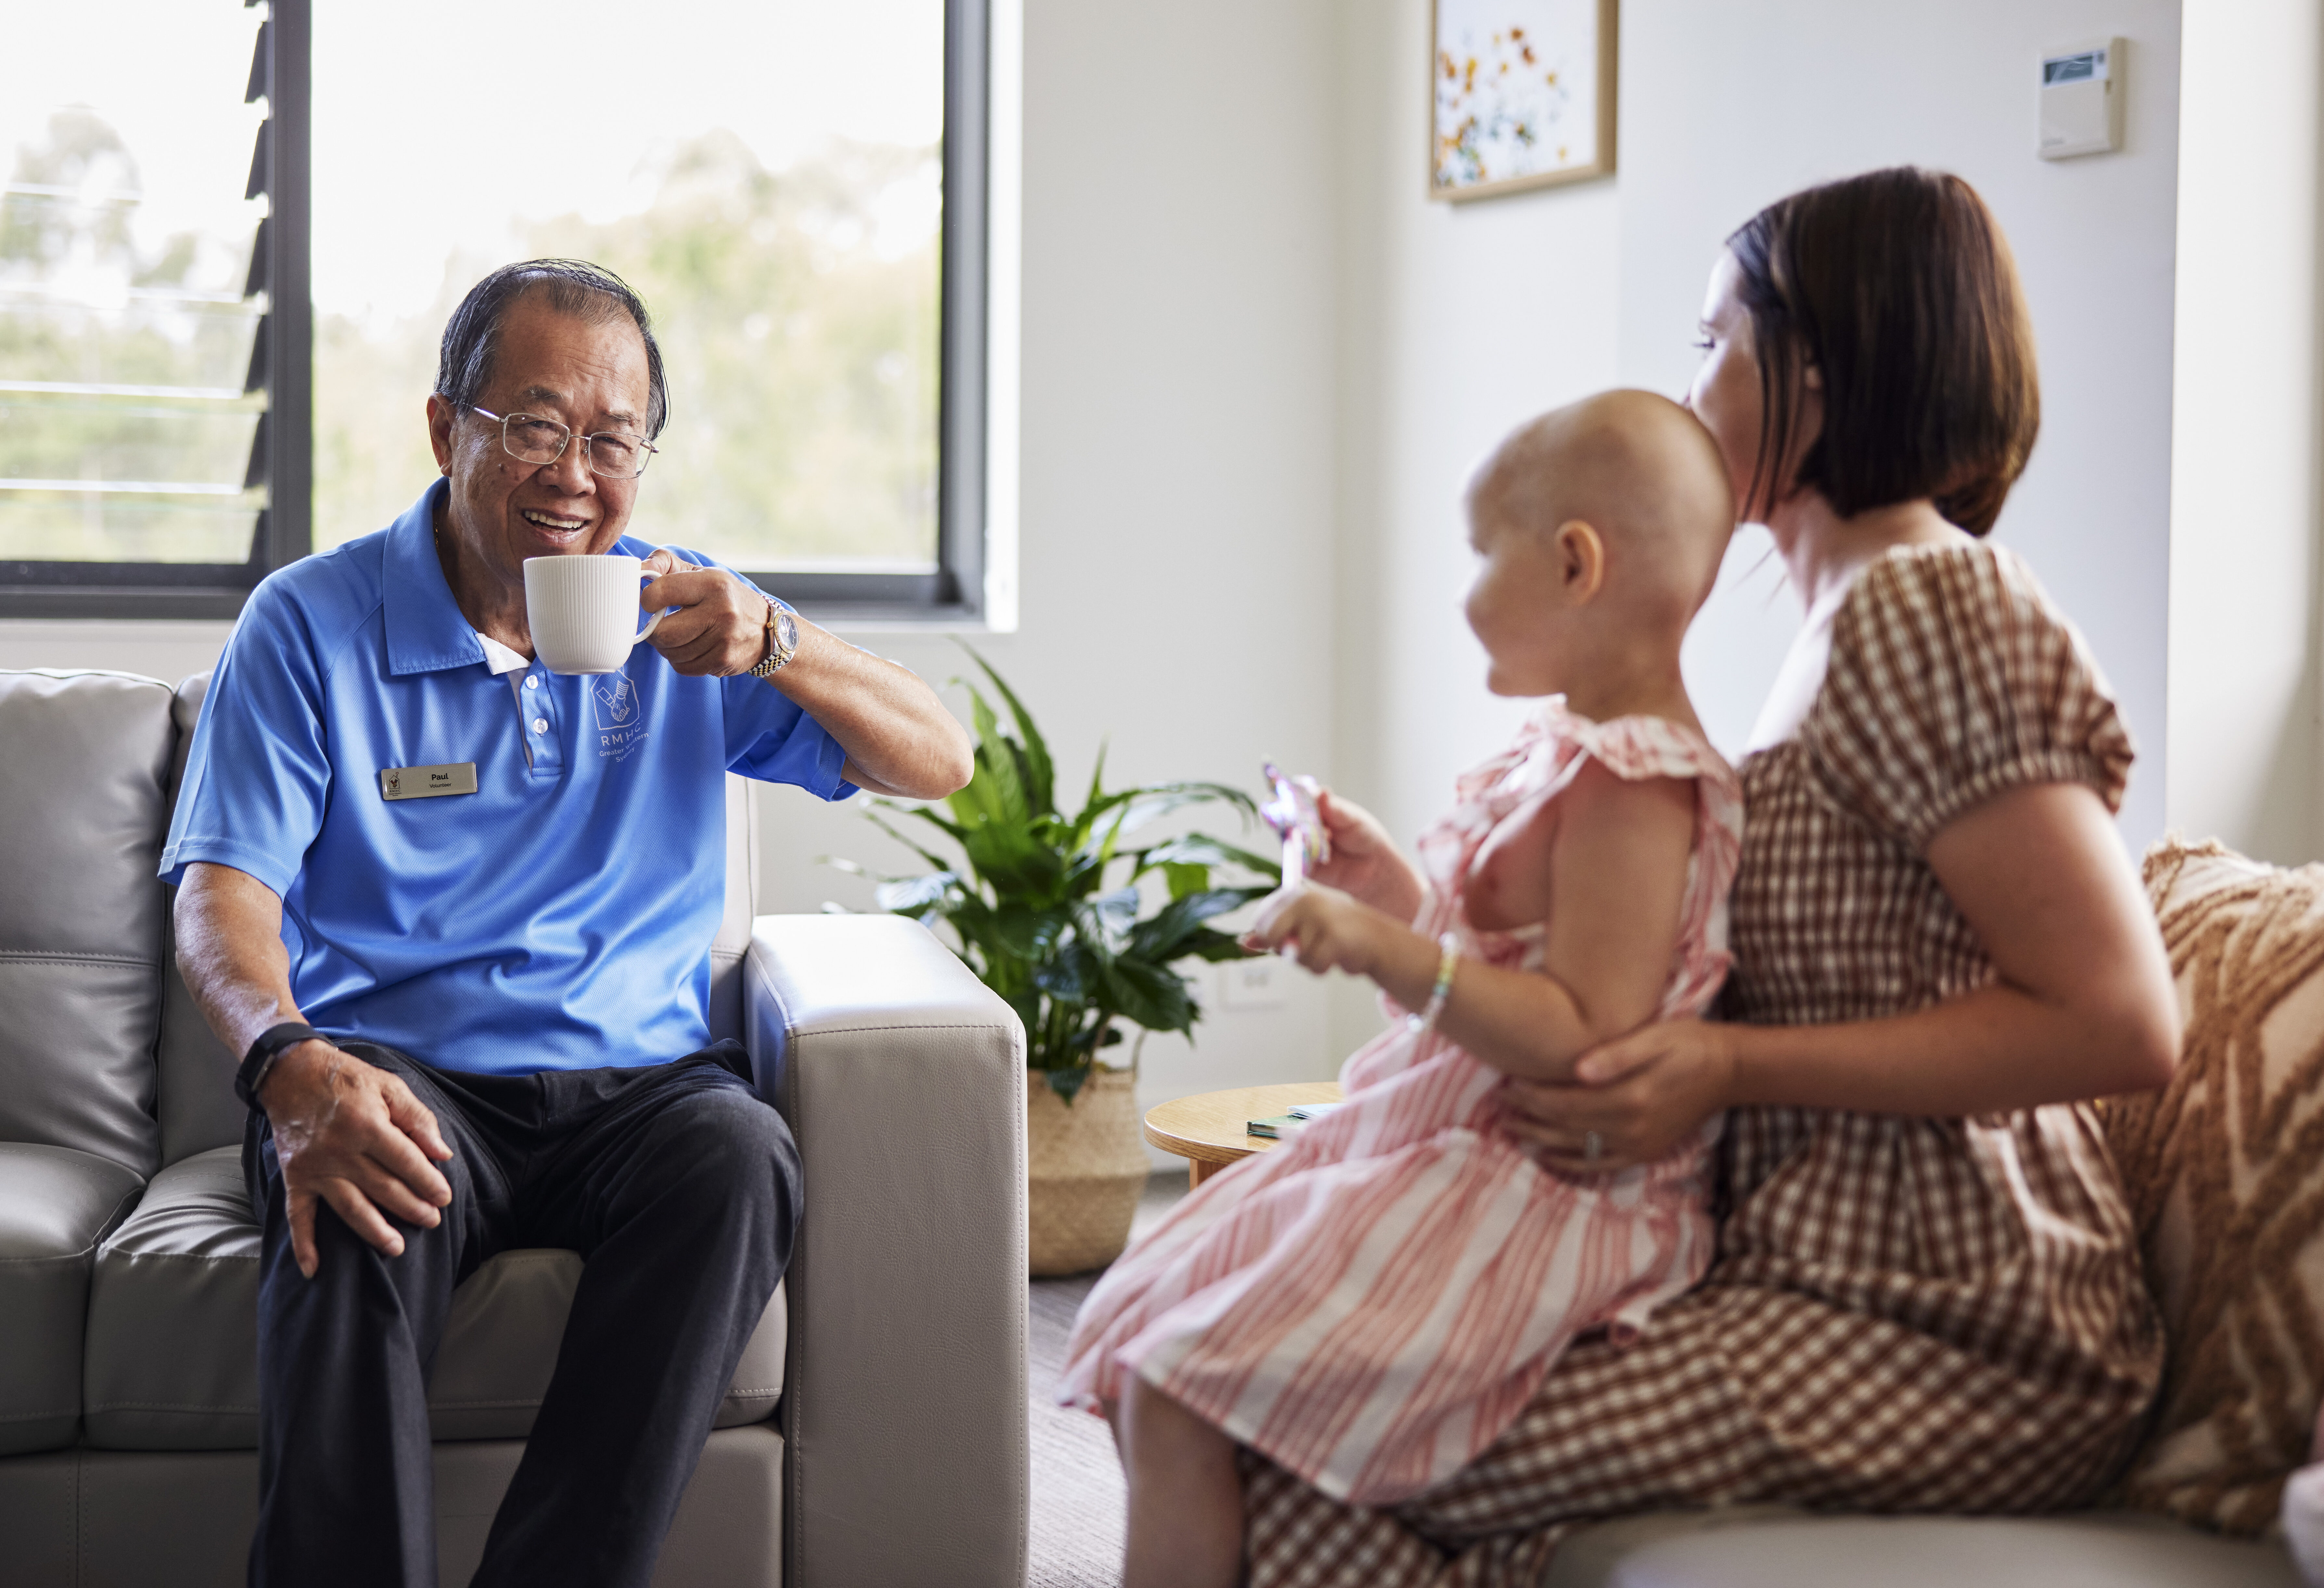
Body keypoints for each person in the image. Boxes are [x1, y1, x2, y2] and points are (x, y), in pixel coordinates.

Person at [1231, 168, 2183, 1586]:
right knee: (1284, 1430)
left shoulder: (1928, 609)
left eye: (1710, 344)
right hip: (1811, 1278)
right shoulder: (1826, 630)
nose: (1686, 394)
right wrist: (1417, 916)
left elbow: (2121, 1022)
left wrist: (1729, 1066)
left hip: (1963, 1317)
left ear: (1819, 363)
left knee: (1304, 1420)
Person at [162, 258, 973, 1588]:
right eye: (536, 426)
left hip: (638, 1089)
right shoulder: (309, 623)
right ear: (447, 430)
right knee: (356, 1197)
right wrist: (288, 1069)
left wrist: (782, 645)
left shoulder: (686, 617)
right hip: (398, 1070)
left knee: (740, 1157)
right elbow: (220, 896)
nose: (574, 474)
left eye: (612, 440)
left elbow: (939, 759)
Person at [1062, 390, 1744, 1588]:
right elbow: (1508, 969)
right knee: (1151, 1320)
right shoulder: (1565, 755)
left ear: (1576, 564)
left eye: (1483, 556)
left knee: (1172, 1389)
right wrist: (1394, 895)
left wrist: (1388, 954)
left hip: (1536, 1189)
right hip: (1448, 1143)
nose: (1464, 590)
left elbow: (1581, 1033)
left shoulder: (1636, 788)